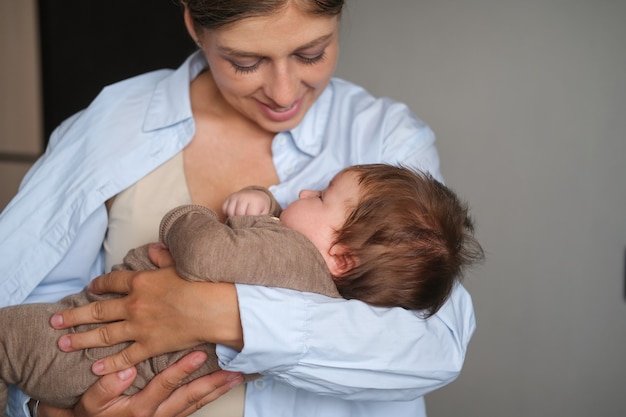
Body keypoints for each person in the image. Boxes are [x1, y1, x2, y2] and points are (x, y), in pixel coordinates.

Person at [0, 1, 477, 417]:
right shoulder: (114, 125)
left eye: (312, 53)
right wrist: (54, 413)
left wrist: (219, 314)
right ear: (195, 25)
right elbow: (24, 297)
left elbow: (434, 346)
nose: (285, 93)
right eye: (247, 61)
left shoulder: (384, 139)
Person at [0, 164, 484, 414]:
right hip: (107, 368)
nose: (304, 193)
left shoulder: (293, 256)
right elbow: (257, 253)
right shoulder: (315, 278)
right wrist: (261, 204)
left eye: (321, 196)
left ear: (341, 257)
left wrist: (186, 216)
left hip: (91, 358)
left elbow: (209, 255)